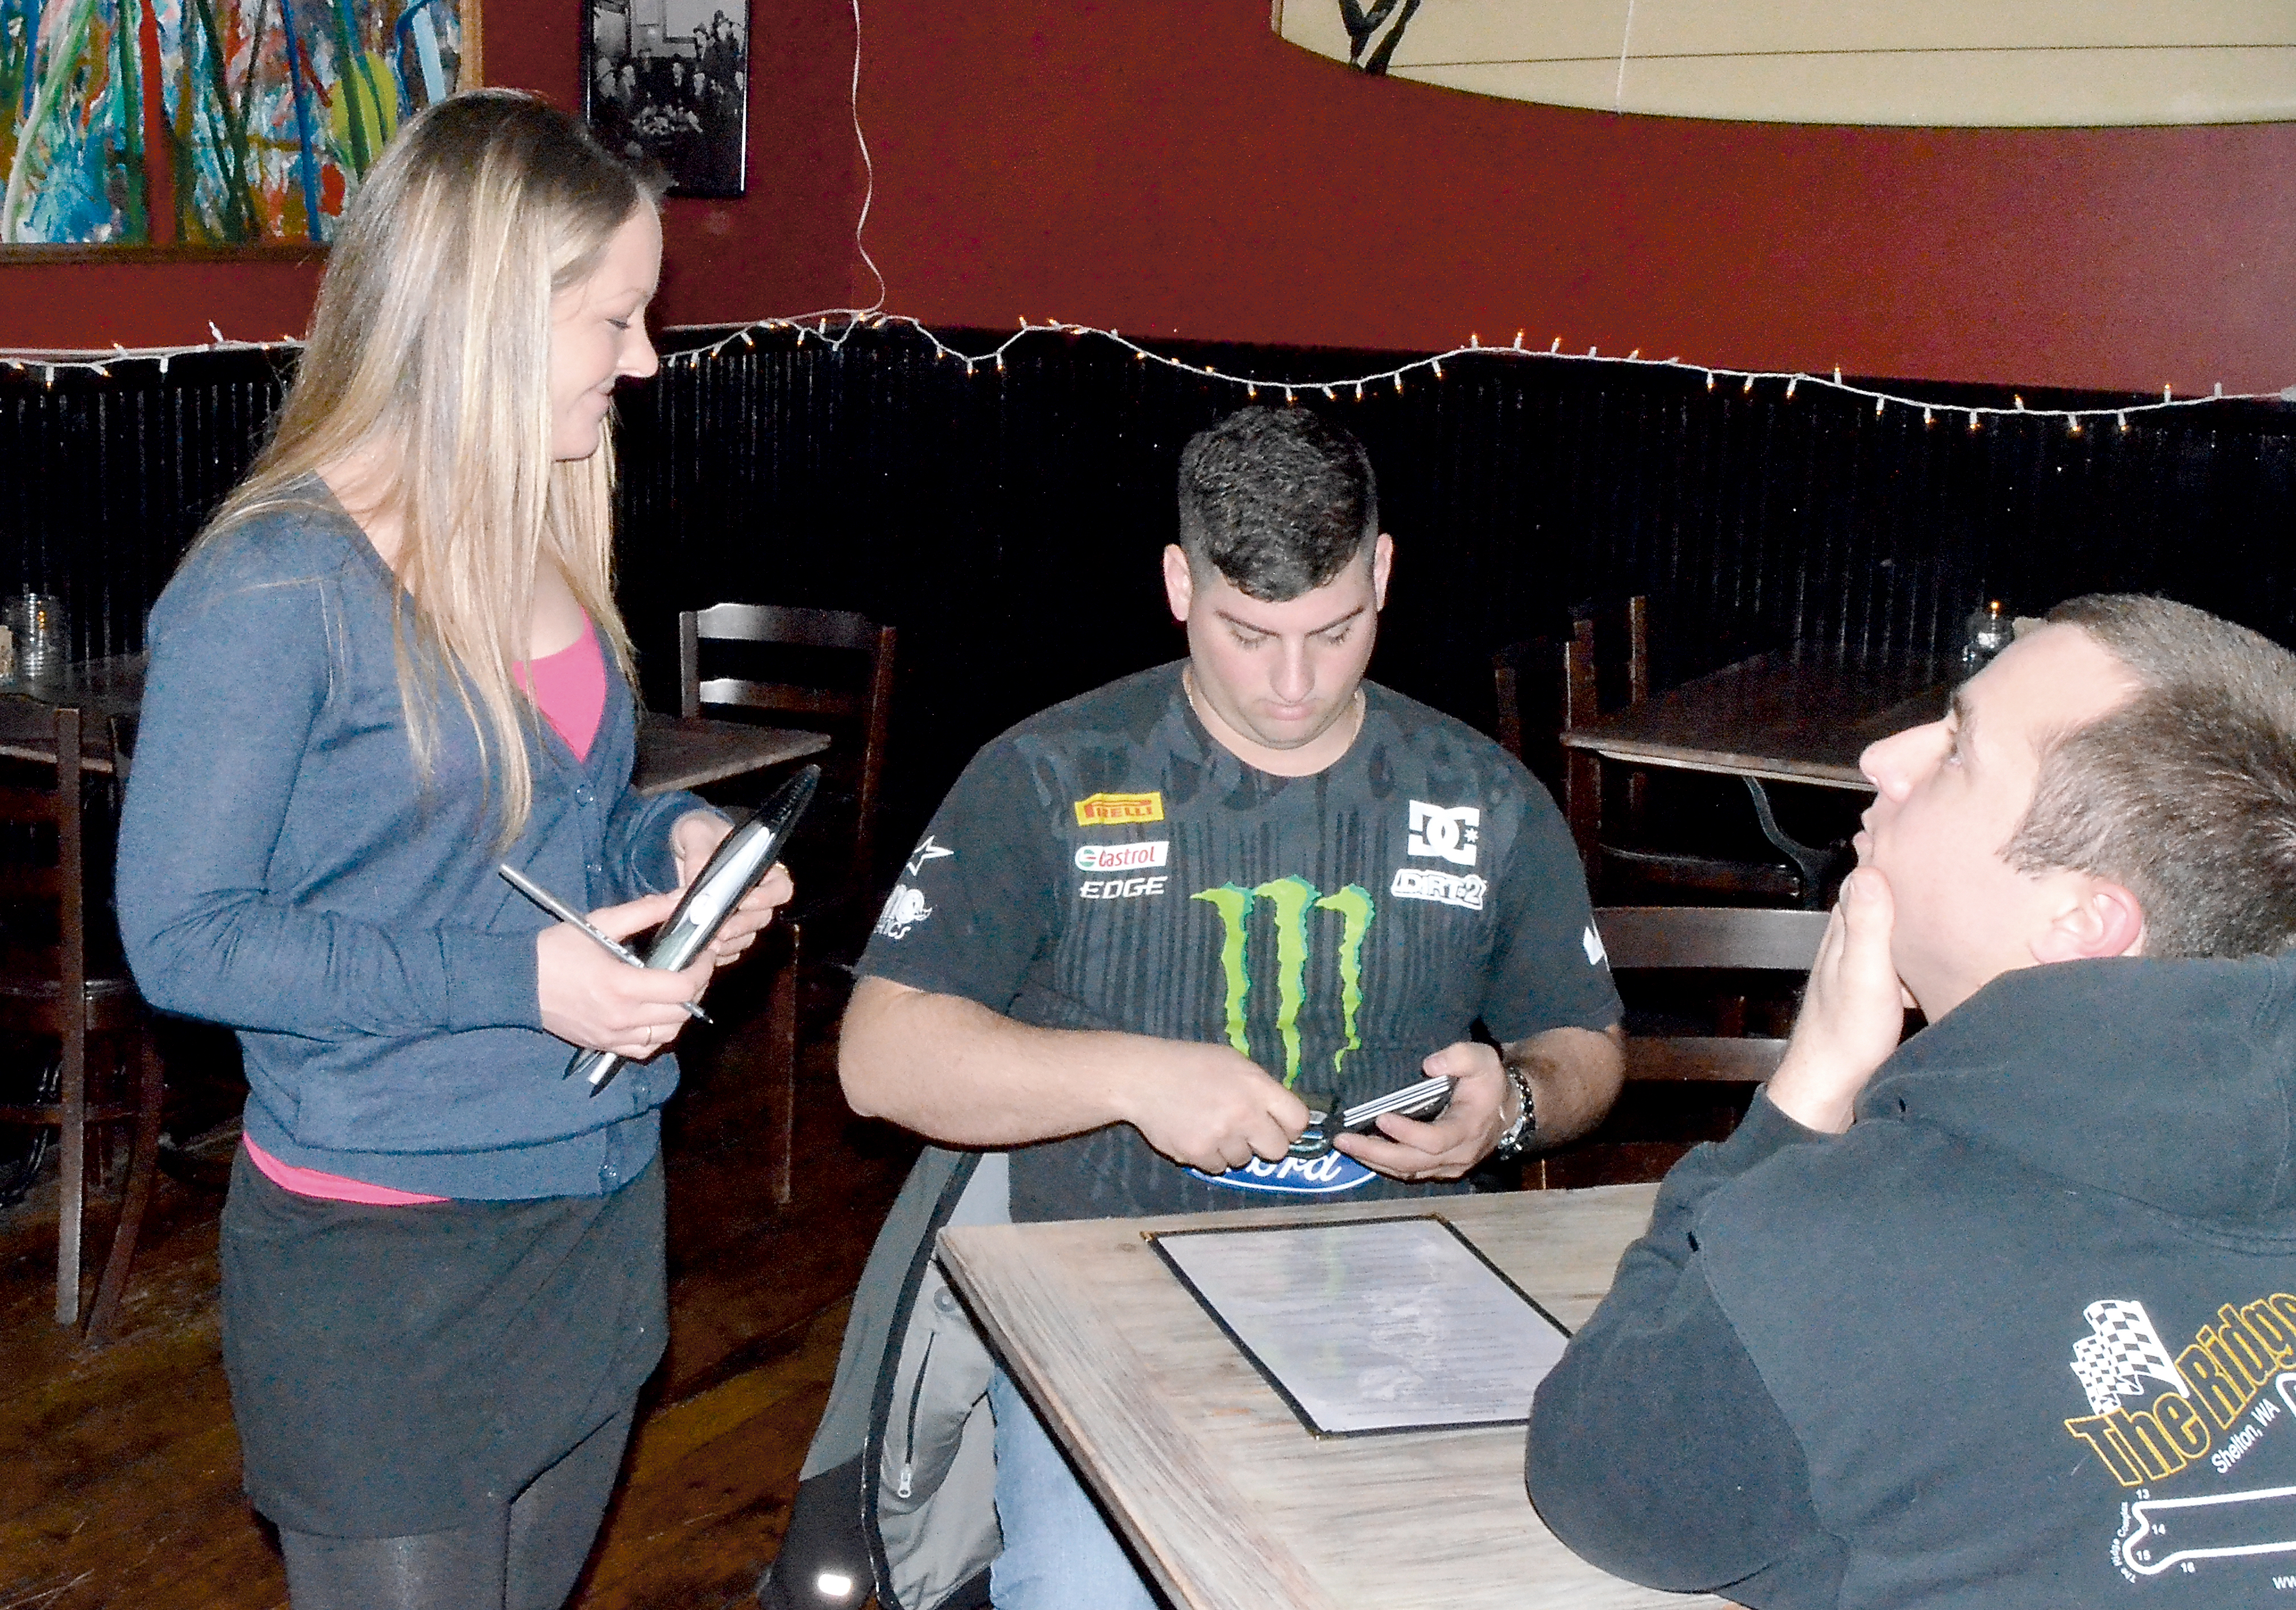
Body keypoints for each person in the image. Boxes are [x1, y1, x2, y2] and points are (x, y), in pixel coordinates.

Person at [762, 406, 1624, 1610]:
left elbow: (1582, 1045)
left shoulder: (1481, 796)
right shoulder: (1048, 774)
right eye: (1247, 632)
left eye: (1333, 631)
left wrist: (1514, 1103)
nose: (1291, 682)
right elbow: (880, 1057)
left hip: (1399, 1294)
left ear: (1382, 573)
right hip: (1103, 1303)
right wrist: (1135, 1077)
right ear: (1178, 585)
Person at [117, 90, 789, 1610]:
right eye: (613, 318)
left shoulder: (544, 520)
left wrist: (671, 833)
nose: (644, 358)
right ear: (487, 315)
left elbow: (558, 828)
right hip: (380, 1248)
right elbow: (186, 936)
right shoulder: (278, 583)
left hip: (592, 1205)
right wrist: (518, 980)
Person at [1526, 594, 2296, 1609]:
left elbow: (1612, 1480)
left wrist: (1805, 1097)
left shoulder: (1855, 1247)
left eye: (1956, 752)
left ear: (2081, 921)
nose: (1886, 756)